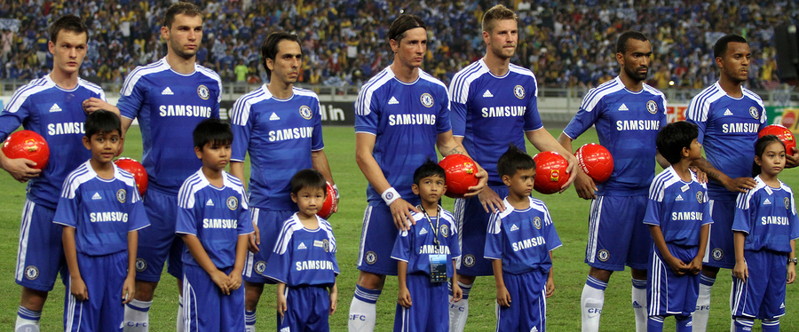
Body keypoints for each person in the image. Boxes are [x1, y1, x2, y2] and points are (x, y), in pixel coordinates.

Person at [349, 14, 486, 331]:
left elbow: (447, 143)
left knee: (436, 282)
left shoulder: (436, 89)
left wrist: (472, 166)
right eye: (412, 42)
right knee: (371, 277)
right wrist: (392, 198)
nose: (420, 49)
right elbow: (362, 154)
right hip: (387, 204)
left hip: (430, 210)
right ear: (394, 45)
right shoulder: (375, 90)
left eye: (424, 42)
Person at [446, 5, 576, 330]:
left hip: (517, 191)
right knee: (465, 274)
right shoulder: (466, 80)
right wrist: (482, 184)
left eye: (514, 32)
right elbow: (453, 142)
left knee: (519, 273)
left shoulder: (525, 79)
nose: (510, 39)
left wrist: (568, 158)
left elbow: (535, 131)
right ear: (487, 36)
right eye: (502, 33)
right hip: (479, 191)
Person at [0, 15, 119, 332]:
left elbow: (112, 145)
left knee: (84, 295)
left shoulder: (94, 96)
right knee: (34, 296)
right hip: (46, 208)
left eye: (80, 47)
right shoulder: (32, 94)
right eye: (66, 46)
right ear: (52, 47)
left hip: (88, 213)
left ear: (86, 50)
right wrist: (6, 162)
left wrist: (113, 114)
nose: (73, 54)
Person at [116, 2, 222, 330]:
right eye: (183, 28)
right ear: (165, 32)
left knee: (192, 285)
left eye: (197, 29)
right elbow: (116, 132)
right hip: (156, 199)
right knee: (143, 285)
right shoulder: (144, 77)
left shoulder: (211, 82)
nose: (192, 36)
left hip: (199, 201)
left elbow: (214, 142)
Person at [557, 31, 668, 332]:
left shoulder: (657, 99)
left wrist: (683, 171)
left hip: (648, 198)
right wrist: (578, 173)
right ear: (621, 57)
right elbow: (564, 139)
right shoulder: (602, 95)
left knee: (644, 273)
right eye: (637, 55)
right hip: (613, 197)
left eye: (647, 55)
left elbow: (660, 152)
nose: (644, 61)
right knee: (601, 269)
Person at [228, 31, 337, 332]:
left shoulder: (309, 101)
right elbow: (236, 162)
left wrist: (330, 189)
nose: (295, 63)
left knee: (296, 289)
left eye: (298, 57)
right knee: (251, 291)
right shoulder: (249, 104)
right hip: (265, 212)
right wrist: (244, 216)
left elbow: (317, 152)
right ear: (269, 62)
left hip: (302, 212)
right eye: (287, 57)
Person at [684, 34, 770, 332]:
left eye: (748, 56)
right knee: (706, 271)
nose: (745, 62)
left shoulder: (756, 103)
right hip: (716, 200)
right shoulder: (705, 101)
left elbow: (764, 152)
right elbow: (689, 152)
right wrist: (725, 180)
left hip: (749, 202)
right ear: (720, 61)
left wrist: (782, 159)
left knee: (744, 271)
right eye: (737, 56)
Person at [54, 110, 149, 331]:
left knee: (113, 325)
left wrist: (131, 275)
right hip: (87, 264)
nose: (107, 146)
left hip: (118, 265)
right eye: (101, 139)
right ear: (87, 142)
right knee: (82, 325)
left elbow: (133, 229)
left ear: (120, 142)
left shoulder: (127, 181)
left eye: (113, 139)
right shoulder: (77, 180)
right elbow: (68, 230)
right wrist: (75, 276)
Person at [175, 119, 252, 331]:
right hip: (201, 273)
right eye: (215, 148)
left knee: (234, 326)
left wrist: (238, 270)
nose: (223, 153)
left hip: (231, 273)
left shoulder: (236, 187)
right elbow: (188, 234)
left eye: (227, 147)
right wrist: (213, 272)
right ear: (199, 152)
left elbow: (244, 230)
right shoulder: (191, 187)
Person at [642, 121, 711, 331]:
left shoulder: (700, 182)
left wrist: (700, 256)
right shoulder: (662, 182)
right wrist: (669, 258)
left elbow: (705, 221)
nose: (700, 145)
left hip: (692, 254)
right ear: (685, 151)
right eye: (696, 142)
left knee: (686, 311)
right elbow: (653, 224)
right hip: (666, 254)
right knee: (658, 311)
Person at [485, 145, 561, 332]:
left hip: (536, 278)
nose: (530, 183)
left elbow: (548, 245)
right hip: (511, 280)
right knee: (508, 326)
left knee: (535, 326)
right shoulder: (500, 215)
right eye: (524, 178)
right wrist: (500, 286)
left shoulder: (540, 209)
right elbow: (495, 255)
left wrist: (550, 276)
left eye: (532, 178)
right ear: (507, 180)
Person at [730, 135, 798, 332]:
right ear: (758, 160)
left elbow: (791, 231)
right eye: (771, 155)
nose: (777, 160)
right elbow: (740, 228)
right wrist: (740, 260)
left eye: (782, 156)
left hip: (778, 261)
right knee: (746, 313)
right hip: (754, 259)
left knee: (772, 314)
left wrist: (791, 261)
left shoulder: (787, 192)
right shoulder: (751, 190)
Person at [263, 169, 338, 331]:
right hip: (295, 295)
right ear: (294, 197)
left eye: (318, 196)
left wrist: (333, 291)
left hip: (320, 295)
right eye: (306, 196)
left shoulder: (326, 228)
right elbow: (282, 261)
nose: (312, 202)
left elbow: (331, 260)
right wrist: (280, 294)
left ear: (325, 198)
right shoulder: (290, 227)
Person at [391, 160, 462, 332]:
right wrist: (402, 287)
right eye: (428, 182)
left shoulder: (449, 219)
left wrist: (455, 282)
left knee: (438, 325)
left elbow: (452, 254)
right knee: (413, 326)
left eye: (438, 183)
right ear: (416, 188)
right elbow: (402, 256)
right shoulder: (411, 219)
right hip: (416, 282)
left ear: (444, 189)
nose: (433, 188)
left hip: (440, 282)